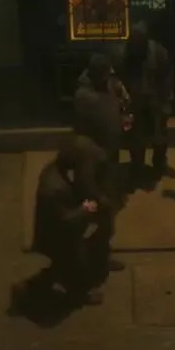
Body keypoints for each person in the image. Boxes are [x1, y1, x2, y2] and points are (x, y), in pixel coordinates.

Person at [14, 136, 112, 308]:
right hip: (56, 234)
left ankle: (32, 287)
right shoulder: (53, 187)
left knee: (63, 265)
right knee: (74, 264)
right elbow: (65, 219)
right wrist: (86, 209)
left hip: (62, 231)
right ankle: (80, 295)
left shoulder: (59, 170)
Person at [72, 53, 129, 271]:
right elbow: (84, 132)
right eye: (106, 74)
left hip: (108, 156)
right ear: (97, 75)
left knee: (106, 212)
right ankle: (87, 258)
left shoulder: (109, 86)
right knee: (94, 210)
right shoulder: (84, 96)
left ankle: (96, 254)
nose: (110, 77)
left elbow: (121, 104)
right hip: (93, 160)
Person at [113, 21, 174, 187]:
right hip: (133, 103)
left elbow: (167, 78)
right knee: (135, 138)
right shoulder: (121, 55)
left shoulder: (158, 52)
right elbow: (116, 80)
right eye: (134, 42)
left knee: (159, 137)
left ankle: (159, 164)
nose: (137, 46)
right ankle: (137, 168)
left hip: (155, 102)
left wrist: (166, 101)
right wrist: (121, 102)